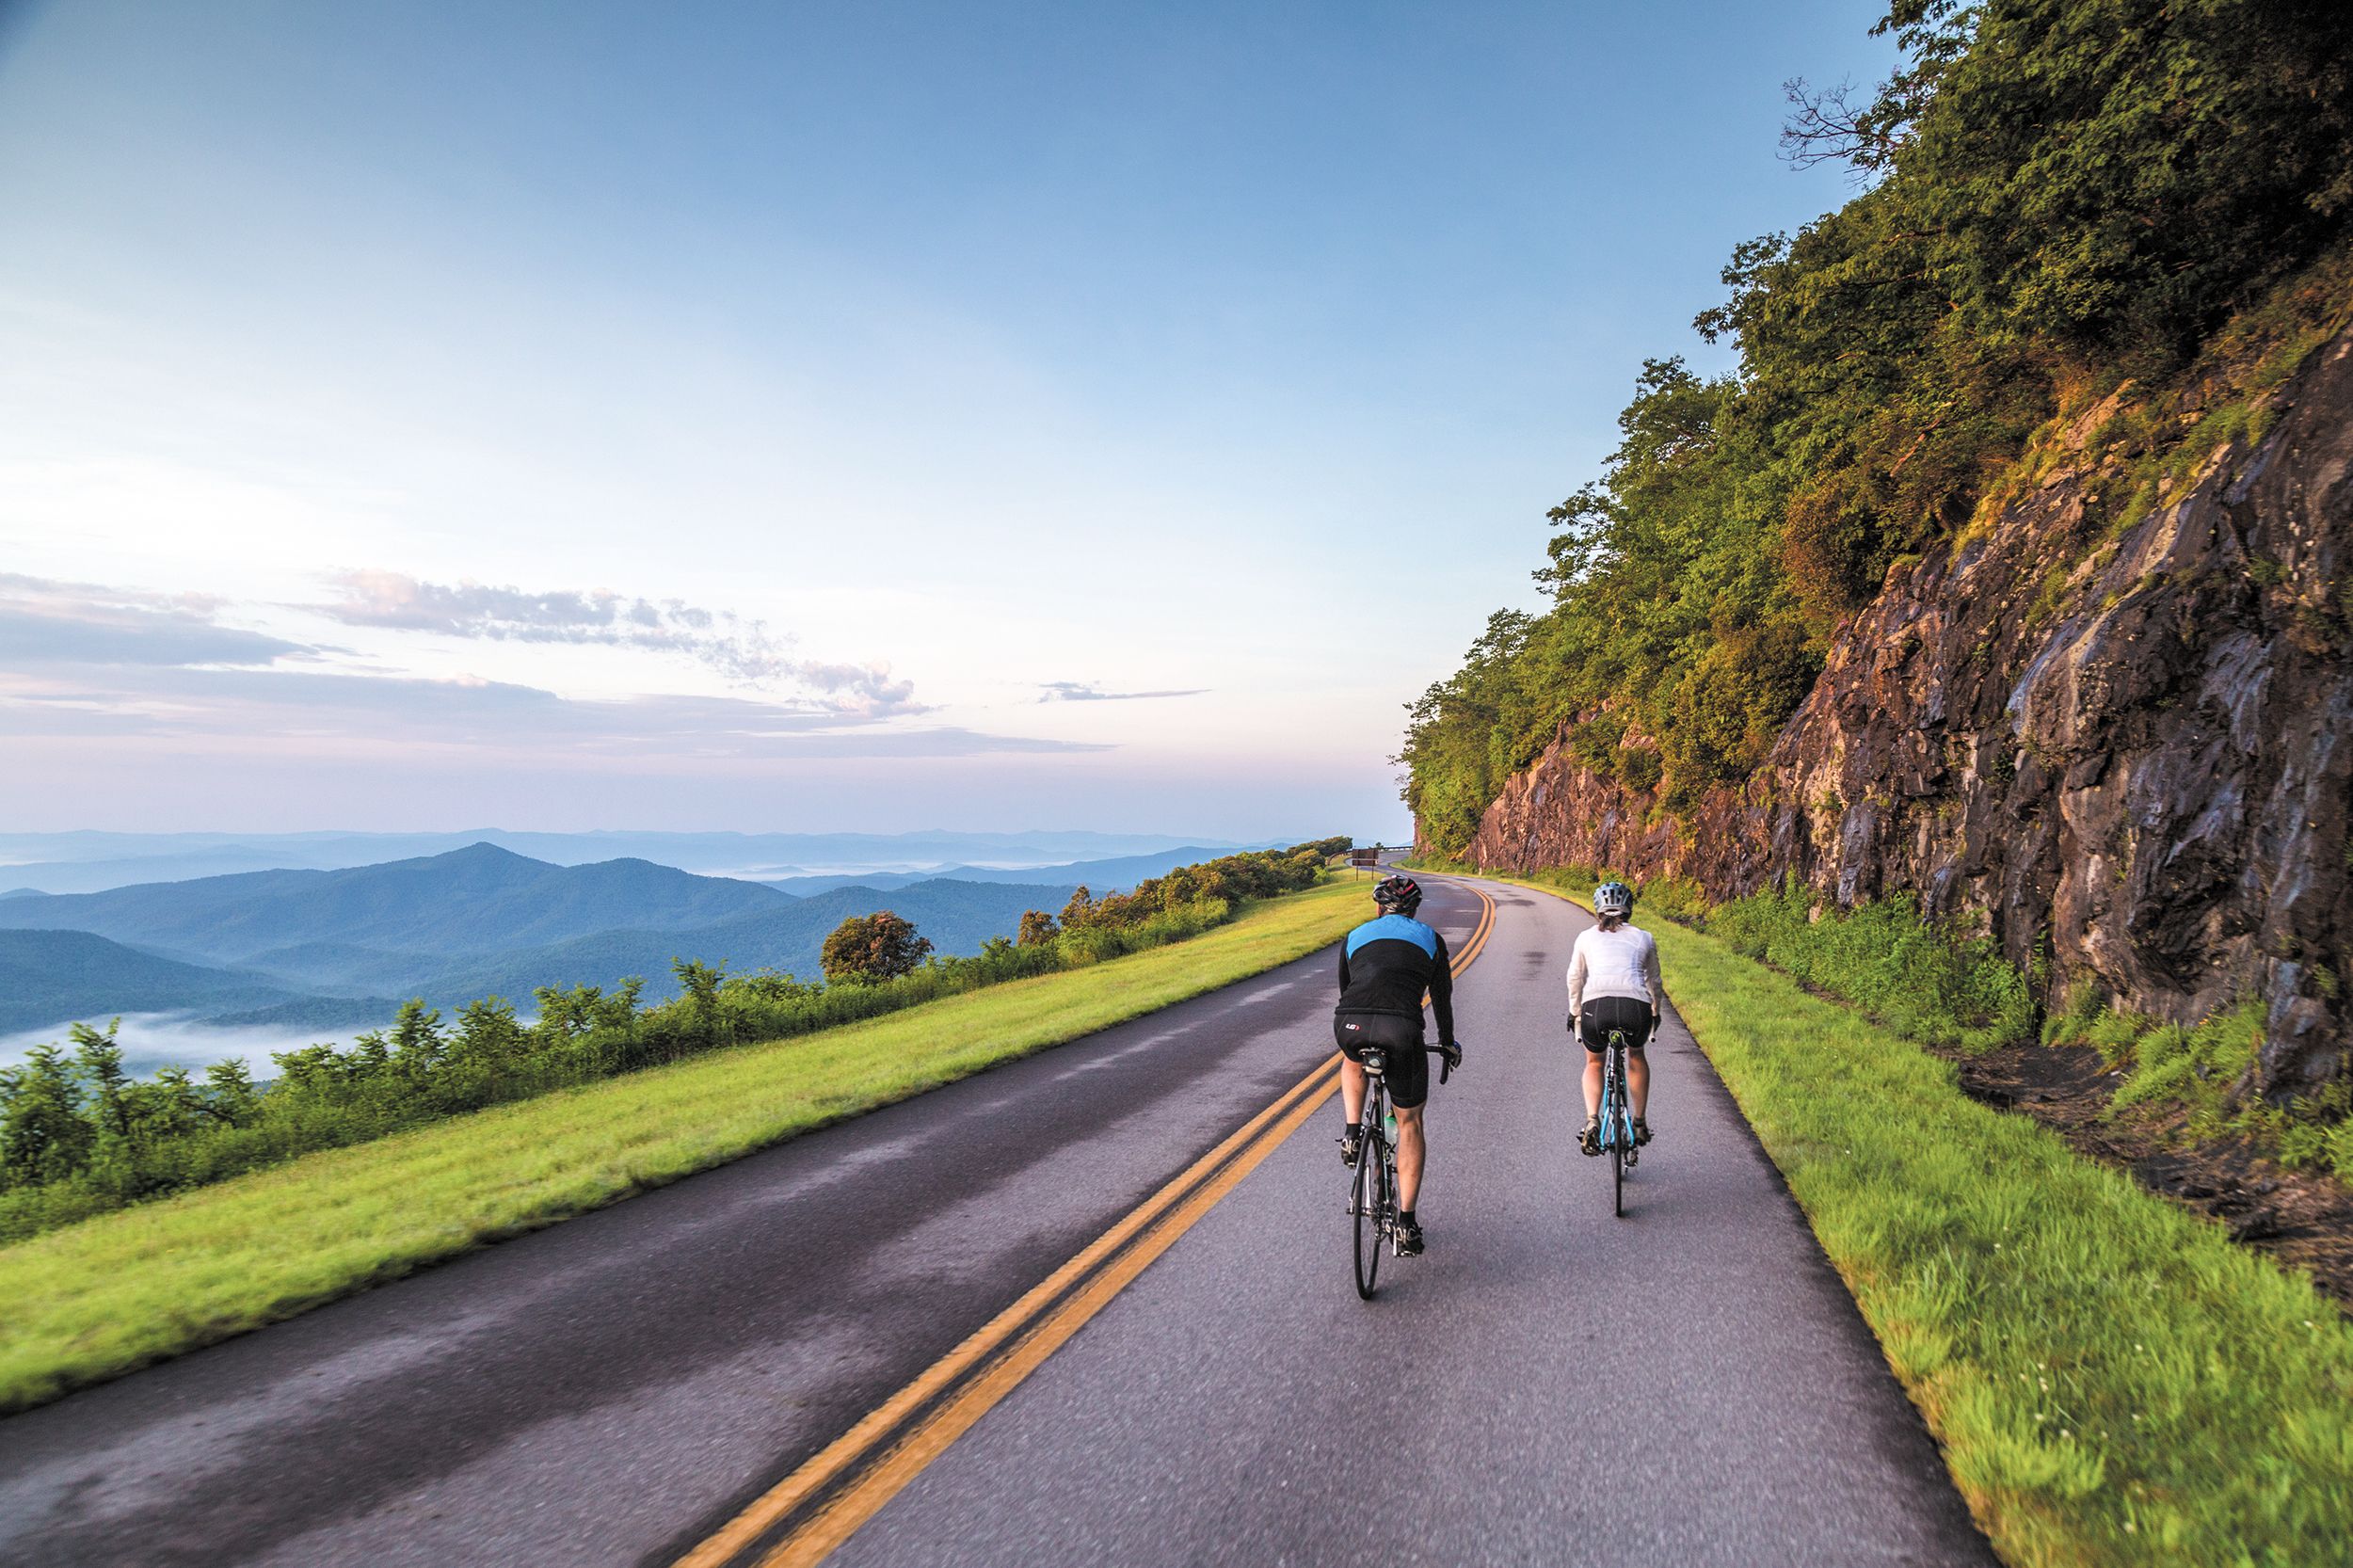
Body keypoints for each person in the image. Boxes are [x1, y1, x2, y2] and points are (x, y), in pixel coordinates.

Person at [1334, 873, 1460, 1256]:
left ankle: (1353, 1130)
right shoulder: (1431, 939)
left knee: (1352, 1056)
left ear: (1378, 907)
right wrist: (1449, 1041)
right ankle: (1405, 1224)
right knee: (1409, 1122)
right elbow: (1441, 999)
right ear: (1415, 909)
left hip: (1349, 1022)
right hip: (1402, 1031)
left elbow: (1347, 989)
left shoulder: (1355, 935)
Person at [1567, 879, 1663, 1155]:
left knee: (1594, 1062)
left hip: (1596, 1007)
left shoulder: (1585, 937)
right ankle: (1640, 1122)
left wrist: (1574, 1012)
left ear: (1598, 909)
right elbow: (1654, 981)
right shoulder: (1644, 937)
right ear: (1629, 909)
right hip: (1636, 1008)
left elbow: (1575, 977)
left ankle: (1592, 1120)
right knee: (1636, 1056)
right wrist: (1655, 1013)